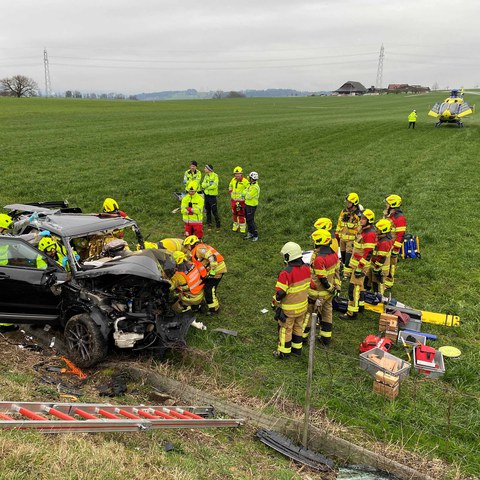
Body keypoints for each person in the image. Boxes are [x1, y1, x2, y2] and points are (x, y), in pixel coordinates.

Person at [272, 242, 311, 359]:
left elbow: (280, 293)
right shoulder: (306, 269)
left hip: (289, 310)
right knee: (298, 327)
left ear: (287, 256)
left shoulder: (286, 273)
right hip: (303, 307)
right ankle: (297, 349)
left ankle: (283, 353)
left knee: (285, 329)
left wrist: (274, 301)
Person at [304, 229, 341, 346]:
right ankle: (326, 339)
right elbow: (336, 273)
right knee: (327, 313)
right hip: (328, 294)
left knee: (308, 314)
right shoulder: (334, 254)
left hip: (317, 293)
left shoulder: (319, 259)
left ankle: (302, 338)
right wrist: (336, 288)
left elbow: (322, 278)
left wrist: (329, 287)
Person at [340, 209, 377, 320]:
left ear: (369, 220)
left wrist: (360, 268)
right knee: (360, 286)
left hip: (360, 266)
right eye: (361, 218)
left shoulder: (369, 234)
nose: (361, 220)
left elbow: (368, 253)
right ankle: (360, 306)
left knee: (353, 288)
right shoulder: (363, 230)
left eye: (364, 218)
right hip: (356, 263)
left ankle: (352, 313)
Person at [183, 235, 227, 314]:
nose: (187, 248)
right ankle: (202, 304)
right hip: (213, 270)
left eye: (188, 246)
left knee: (209, 289)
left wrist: (213, 271)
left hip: (217, 270)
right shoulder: (198, 249)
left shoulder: (200, 249)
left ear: (192, 244)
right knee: (206, 288)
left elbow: (212, 257)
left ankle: (214, 309)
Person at [335, 193, 362, 279]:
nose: (347, 204)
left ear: (354, 203)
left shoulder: (358, 215)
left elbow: (360, 228)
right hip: (342, 238)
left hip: (351, 240)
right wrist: (337, 234)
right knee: (343, 256)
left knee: (348, 257)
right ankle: (344, 270)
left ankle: (347, 274)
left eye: (349, 202)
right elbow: (339, 223)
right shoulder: (344, 212)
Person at [383, 194, 407, 289]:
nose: (386, 205)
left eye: (387, 203)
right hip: (386, 243)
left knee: (390, 264)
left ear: (392, 204)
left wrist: (395, 249)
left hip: (392, 245)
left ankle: (388, 283)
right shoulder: (388, 214)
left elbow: (401, 235)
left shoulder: (399, 218)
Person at [365, 219, 393, 296]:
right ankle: (371, 295)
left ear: (383, 230)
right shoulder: (381, 239)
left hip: (380, 268)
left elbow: (381, 258)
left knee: (378, 283)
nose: (376, 230)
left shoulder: (385, 242)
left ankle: (379, 298)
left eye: (378, 229)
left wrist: (377, 267)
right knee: (372, 280)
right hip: (375, 265)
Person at [228, 166, 249, 234]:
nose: (237, 175)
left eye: (238, 174)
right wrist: (231, 192)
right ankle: (235, 226)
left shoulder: (245, 181)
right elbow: (230, 185)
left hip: (241, 202)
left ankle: (242, 228)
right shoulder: (233, 180)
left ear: (241, 174)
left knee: (241, 214)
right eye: (235, 174)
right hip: (234, 201)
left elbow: (248, 189)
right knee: (234, 214)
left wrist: (244, 195)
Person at [201, 164, 220, 230]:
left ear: (209, 169)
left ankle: (218, 224)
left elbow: (214, 186)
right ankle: (209, 223)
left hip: (212, 196)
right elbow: (202, 185)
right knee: (207, 210)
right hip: (206, 195)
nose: (204, 169)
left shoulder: (215, 176)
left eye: (205, 168)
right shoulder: (206, 176)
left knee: (214, 210)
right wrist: (209, 185)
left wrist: (206, 186)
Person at [243, 171, 260, 241]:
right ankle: (250, 233)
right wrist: (245, 192)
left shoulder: (255, 187)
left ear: (252, 179)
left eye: (249, 177)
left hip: (251, 206)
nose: (248, 178)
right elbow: (245, 191)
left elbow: (248, 196)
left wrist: (245, 193)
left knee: (250, 220)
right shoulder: (250, 185)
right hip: (247, 204)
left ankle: (255, 234)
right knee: (247, 219)